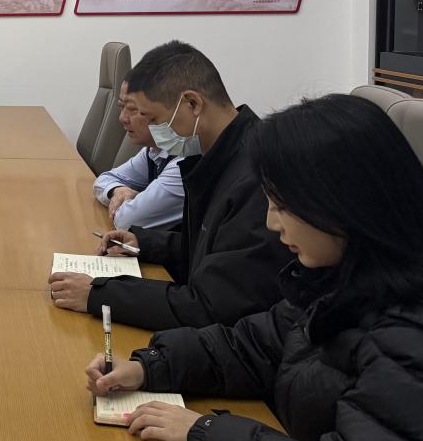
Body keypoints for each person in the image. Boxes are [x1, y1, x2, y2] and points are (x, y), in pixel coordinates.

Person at [85, 94, 423, 441]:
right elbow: (253, 345)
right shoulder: (345, 278)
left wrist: (205, 431)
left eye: (282, 206)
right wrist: (150, 367)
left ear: (343, 202)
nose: (271, 223)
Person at [49, 40, 290, 329]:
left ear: (192, 104)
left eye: (154, 119)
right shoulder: (218, 155)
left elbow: (210, 307)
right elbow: (215, 251)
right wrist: (146, 243)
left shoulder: (256, 177)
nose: (152, 131)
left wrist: (98, 295)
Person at [92, 81, 184, 229]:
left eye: (133, 109)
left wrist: (134, 202)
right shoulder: (156, 150)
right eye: (121, 107)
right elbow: (104, 179)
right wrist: (118, 190)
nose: (122, 118)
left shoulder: (185, 160)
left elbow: (127, 221)